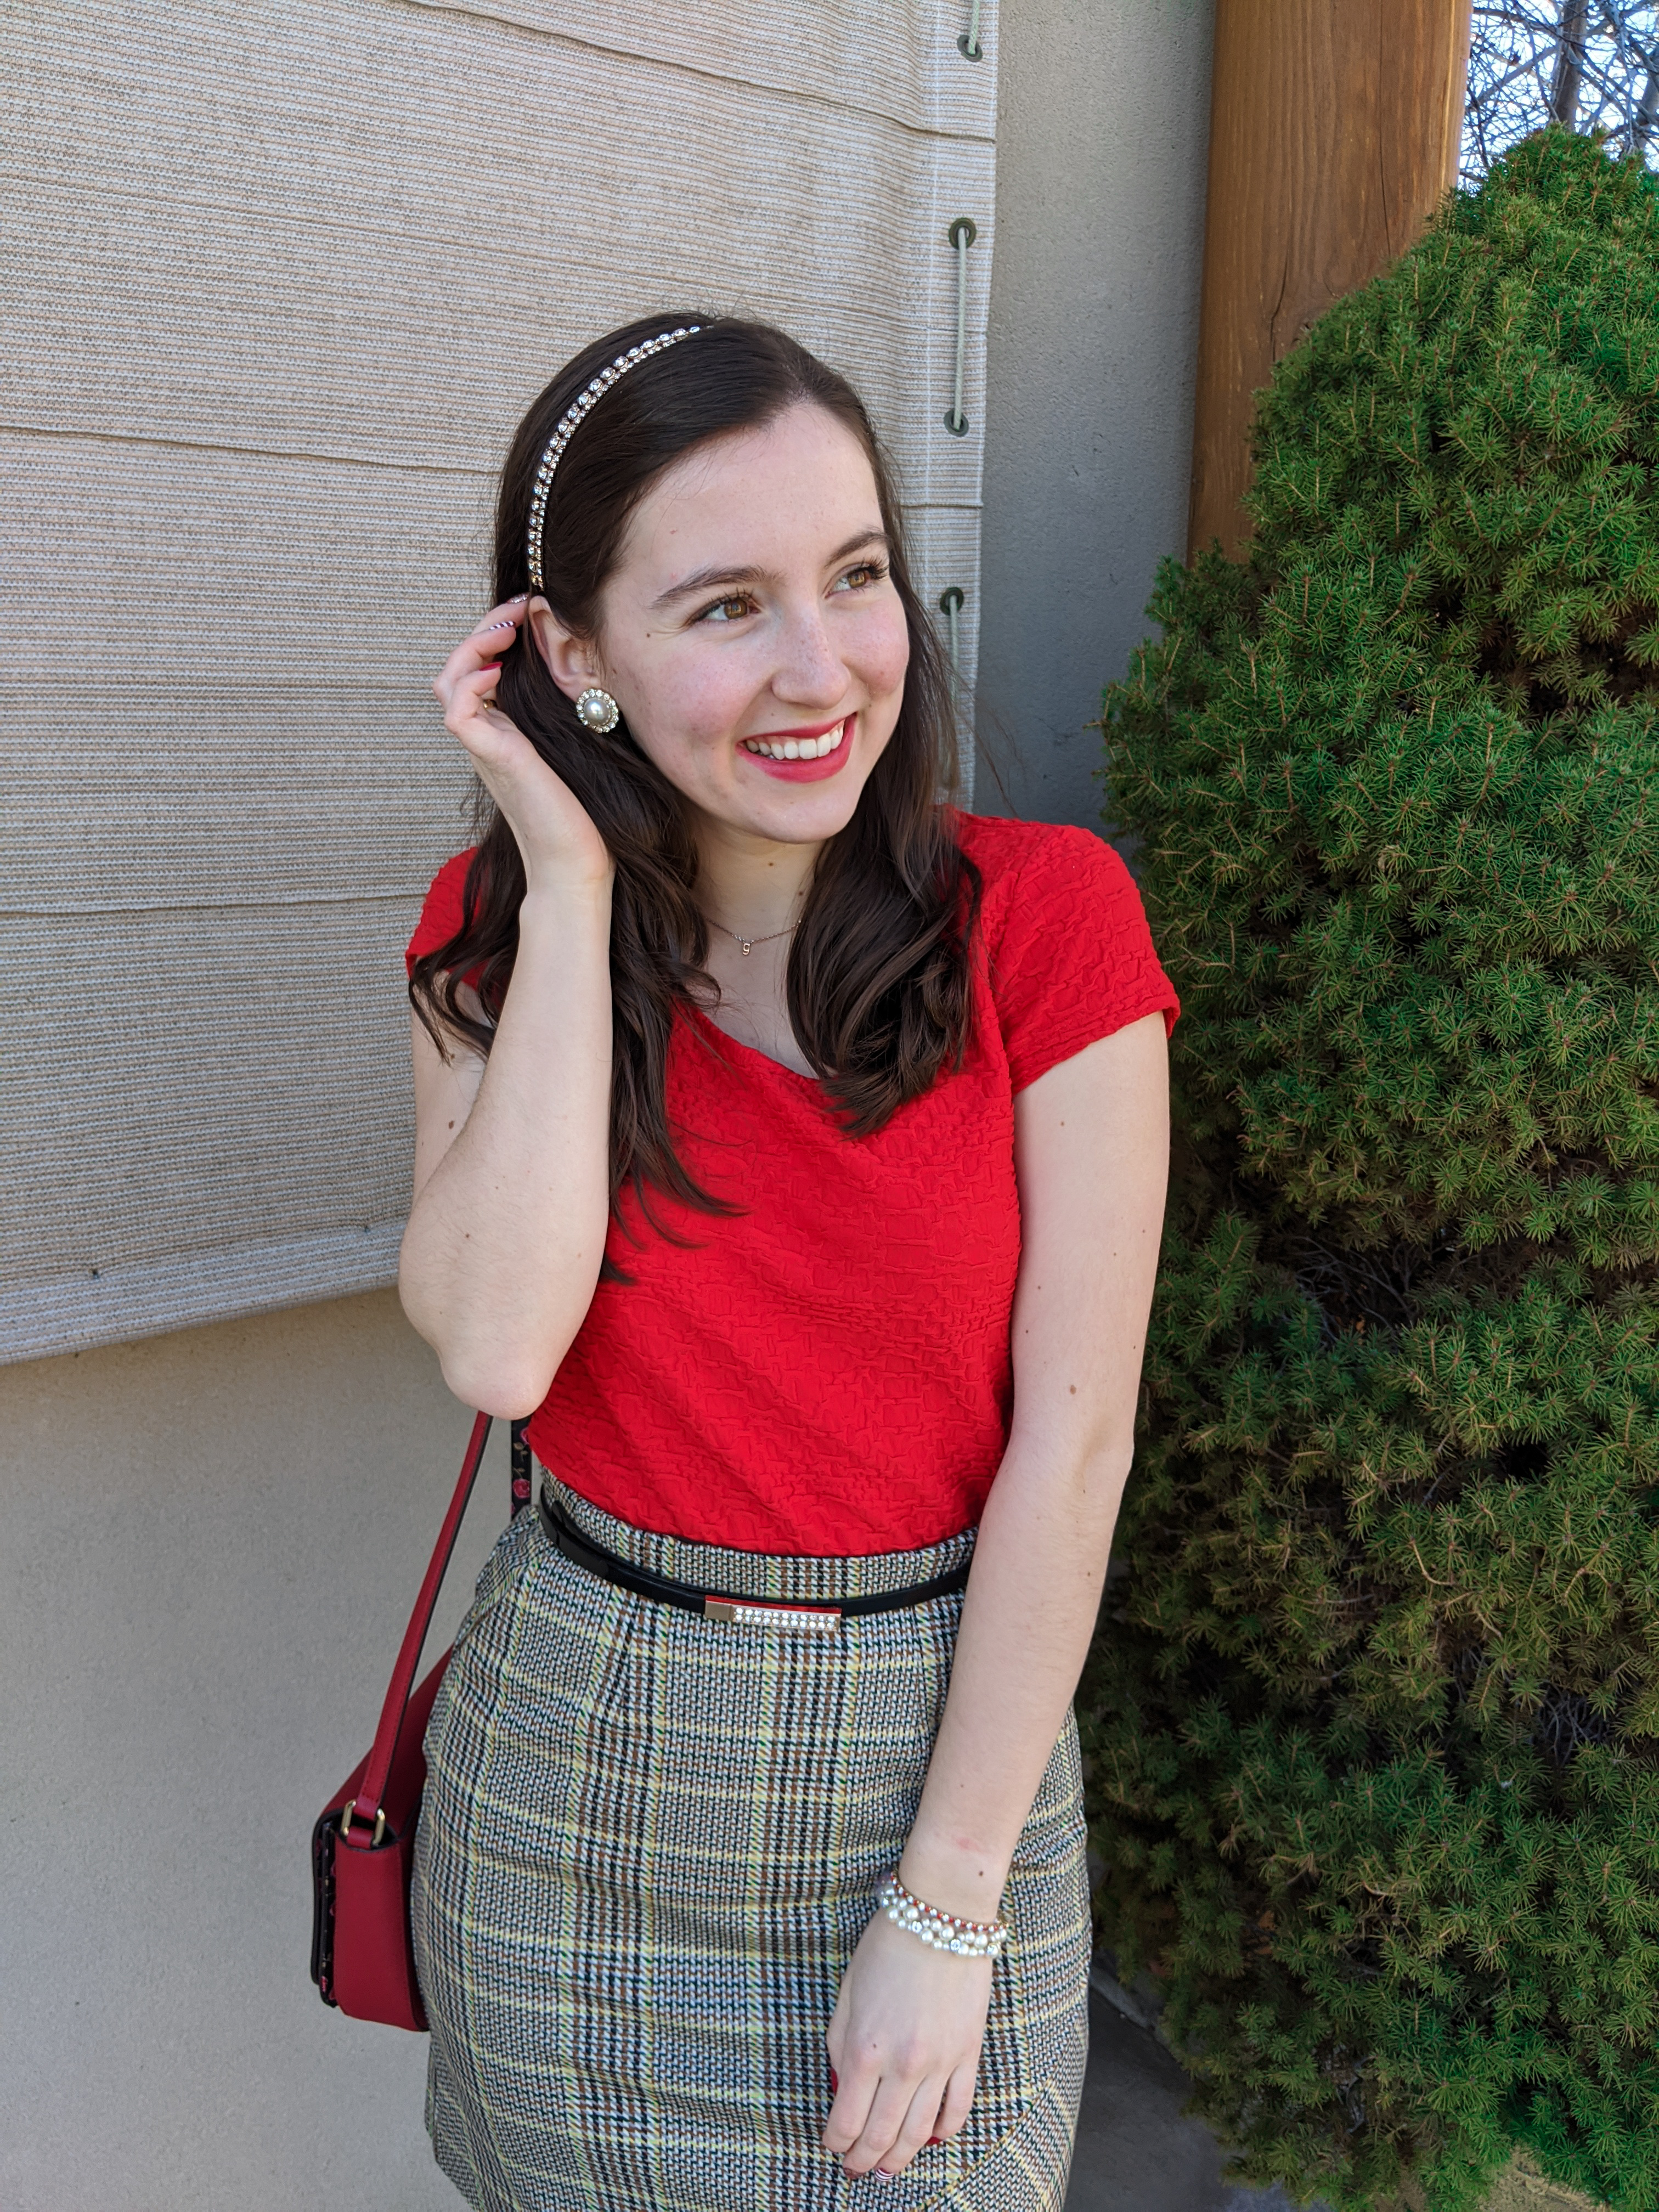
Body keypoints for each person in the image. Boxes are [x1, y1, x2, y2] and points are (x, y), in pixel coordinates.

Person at [398, 313, 1176, 2212]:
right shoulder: (499, 940)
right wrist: (573, 890)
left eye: (854, 577)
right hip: (574, 1770)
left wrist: (951, 1907)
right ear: (570, 657)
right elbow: (500, 1349)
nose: (824, 668)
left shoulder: (1047, 929)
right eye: (726, 606)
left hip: (939, 1768)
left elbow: (1073, 1454)